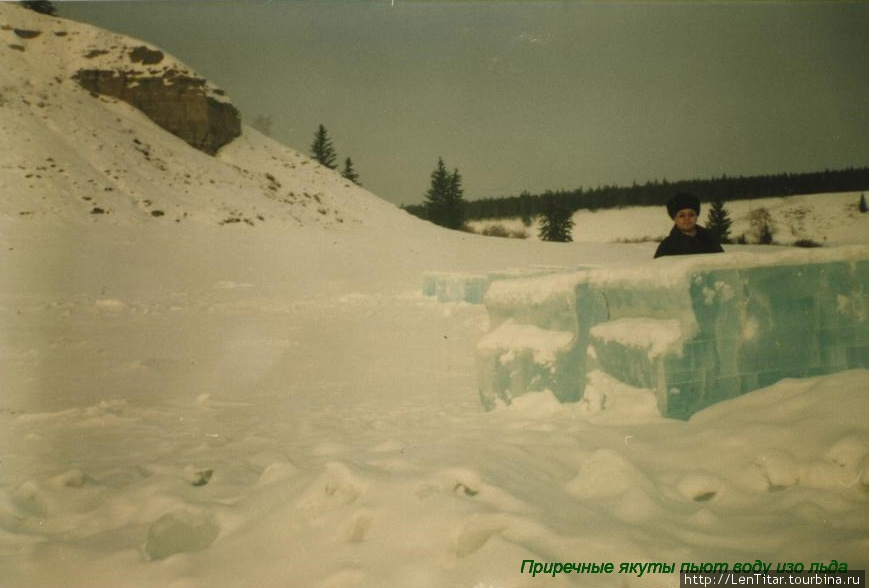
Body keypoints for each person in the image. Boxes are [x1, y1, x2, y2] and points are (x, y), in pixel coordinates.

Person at [654, 192, 724, 258]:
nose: (687, 218)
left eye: (691, 214)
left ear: (696, 217)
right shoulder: (667, 246)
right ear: (674, 218)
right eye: (681, 215)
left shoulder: (709, 239)